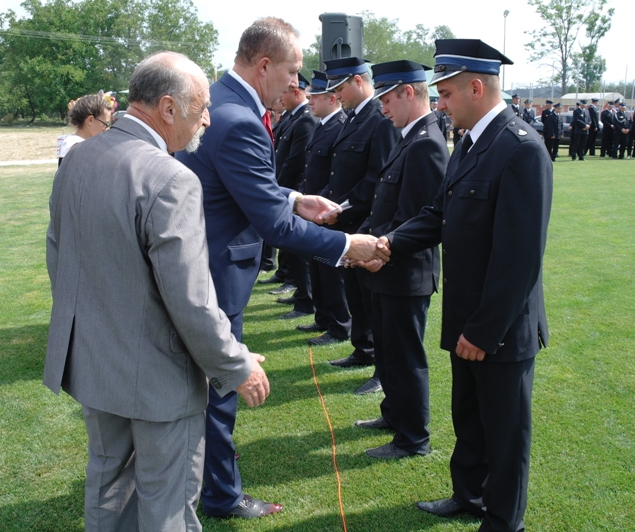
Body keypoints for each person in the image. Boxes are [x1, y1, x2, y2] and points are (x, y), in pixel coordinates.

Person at [44, 51, 272, 531]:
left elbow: (59, 259)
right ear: (168, 108)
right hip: (158, 379)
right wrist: (237, 364)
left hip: (95, 364)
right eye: (202, 107)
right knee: (167, 507)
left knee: (108, 494)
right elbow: (191, 299)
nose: (206, 119)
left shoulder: (79, 156)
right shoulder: (170, 177)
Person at [176, 18, 383, 520]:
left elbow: (239, 187)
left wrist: (293, 198)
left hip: (202, 264)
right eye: (292, 71)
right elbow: (275, 227)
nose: (296, 82)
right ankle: (221, 495)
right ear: (264, 65)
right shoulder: (239, 118)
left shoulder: (221, 102)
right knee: (220, 389)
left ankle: (202, 479)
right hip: (217, 274)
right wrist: (348, 246)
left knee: (203, 387)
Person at [364, 39, 552, 531]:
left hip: (500, 328)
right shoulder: (470, 143)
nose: (441, 104)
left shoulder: (521, 149)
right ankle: (468, 497)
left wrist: (485, 331)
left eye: (445, 94)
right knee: (469, 417)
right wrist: (388, 243)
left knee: (505, 433)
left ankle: (503, 521)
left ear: (475, 88)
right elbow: (437, 215)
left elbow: (520, 259)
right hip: (467, 315)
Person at [351, 60, 448, 460]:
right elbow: (386, 206)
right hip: (386, 266)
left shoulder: (426, 143)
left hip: (404, 271)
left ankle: (413, 438)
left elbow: (419, 217)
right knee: (390, 352)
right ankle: (393, 414)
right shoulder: (409, 137)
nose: (383, 107)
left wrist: (379, 249)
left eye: (388, 99)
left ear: (409, 92)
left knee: (405, 357)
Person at [318, 56, 399, 397]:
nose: (336, 95)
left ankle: (380, 365)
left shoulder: (379, 120)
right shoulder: (355, 118)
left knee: (371, 300)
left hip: (366, 223)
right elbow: (340, 174)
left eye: (340, 88)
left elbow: (377, 178)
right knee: (355, 293)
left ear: (357, 81)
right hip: (347, 222)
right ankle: (363, 349)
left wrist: (341, 209)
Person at [297, 71, 351, 342]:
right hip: (314, 208)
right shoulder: (321, 125)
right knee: (317, 268)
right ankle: (323, 317)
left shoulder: (339, 126)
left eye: (315, 97)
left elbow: (336, 174)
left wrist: (323, 203)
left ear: (332, 99)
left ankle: (339, 324)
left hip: (328, 209)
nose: (310, 101)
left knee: (331, 272)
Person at [273, 73, 318, 320]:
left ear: (296, 91)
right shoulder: (293, 118)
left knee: (300, 252)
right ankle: (301, 294)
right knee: (292, 249)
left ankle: (306, 299)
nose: (280, 97)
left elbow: (296, 162)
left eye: (285, 92)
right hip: (286, 190)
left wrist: (278, 189)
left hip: (295, 191)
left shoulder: (305, 119)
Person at [56, 94, 112, 166]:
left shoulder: (70, 145)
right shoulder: (79, 149)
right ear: (90, 120)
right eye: (105, 124)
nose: (106, 129)